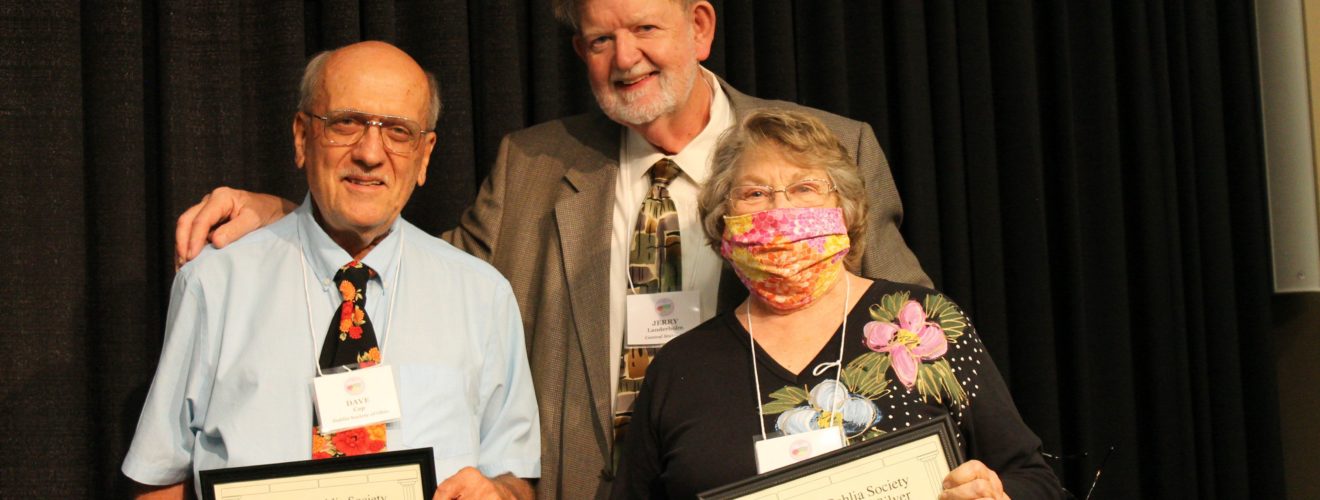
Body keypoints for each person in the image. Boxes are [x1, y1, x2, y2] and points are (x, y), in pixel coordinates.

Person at [171, 1, 930, 497]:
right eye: (601, 39)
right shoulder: (532, 165)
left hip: (755, 480)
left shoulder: (822, 152)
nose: (625, 58)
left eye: (645, 29)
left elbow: (909, 333)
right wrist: (292, 213)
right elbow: (419, 268)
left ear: (700, 27)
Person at [122, 41, 539, 500]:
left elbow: (517, 477)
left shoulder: (483, 296)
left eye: (398, 132)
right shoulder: (215, 284)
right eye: (346, 123)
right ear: (302, 137)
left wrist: (500, 493)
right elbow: (160, 476)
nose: (370, 153)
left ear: (424, 156)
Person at [611, 108, 1062, 499]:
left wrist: (995, 495)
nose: (780, 211)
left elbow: (1033, 478)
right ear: (723, 222)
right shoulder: (679, 368)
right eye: (754, 193)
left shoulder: (925, 323)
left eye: (805, 188)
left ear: (845, 209)